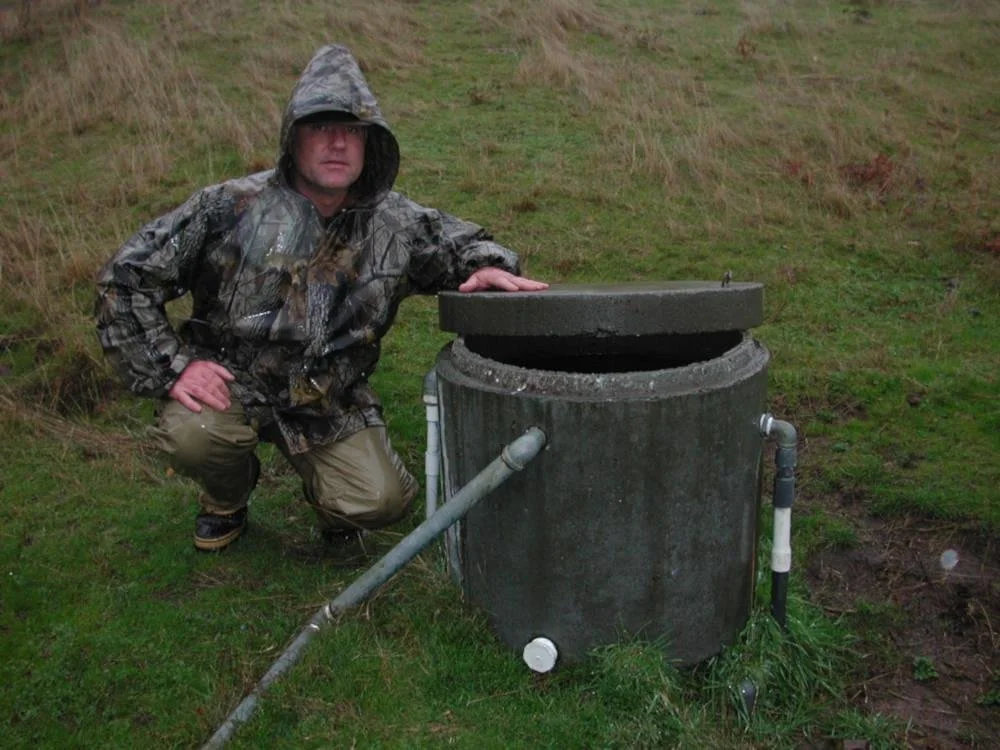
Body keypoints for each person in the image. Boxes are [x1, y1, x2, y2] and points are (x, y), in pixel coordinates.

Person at [95, 44, 547, 552]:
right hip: (231, 383)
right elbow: (126, 278)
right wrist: (175, 366)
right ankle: (227, 496)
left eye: (352, 130)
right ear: (294, 138)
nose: (337, 143)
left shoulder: (392, 222)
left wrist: (487, 265)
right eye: (320, 127)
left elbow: (463, 245)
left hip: (329, 398)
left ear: (370, 144)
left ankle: (329, 498)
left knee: (382, 502)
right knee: (194, 437)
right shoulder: (228, 207)